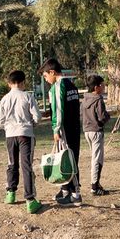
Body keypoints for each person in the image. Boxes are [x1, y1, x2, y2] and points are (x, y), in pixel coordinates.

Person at [0, 69, 42, 214]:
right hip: (25, 134)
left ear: (9, 83)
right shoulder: (27, 96)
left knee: (12, 163)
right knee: (26, 165)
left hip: (10, 135)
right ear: (23, 82)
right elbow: (37, 117)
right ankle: (30, 200)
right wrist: (31, 124)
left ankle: (10, 194)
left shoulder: (4, 99)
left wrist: (9, 127)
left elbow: (0, 122)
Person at [40, 58, 82, 205]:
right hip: (74, 127)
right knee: (70, 157)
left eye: (46, 76)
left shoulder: (58, 86)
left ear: (52, 72)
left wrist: (56, 129)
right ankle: (65, 189)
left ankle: (76, 193)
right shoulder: (71, 85)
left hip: (64, 129)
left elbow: (58, 111)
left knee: (67, 159)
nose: (46, 80)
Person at [81, 74, 111, 196]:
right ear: (96, 87)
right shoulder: (98, 99)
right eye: (102, 85)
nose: (104, 87)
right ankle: (94, 186)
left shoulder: (84, 99)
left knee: (94, 157)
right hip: (96, 132)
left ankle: (96, 183)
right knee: (97, 159)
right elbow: (102, 117)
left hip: (87, 131)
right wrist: (108, 116)